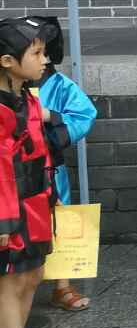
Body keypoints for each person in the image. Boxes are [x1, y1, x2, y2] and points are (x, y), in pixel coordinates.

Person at [0, 18, 63, 328]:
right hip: (9, 208)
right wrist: (4, 222)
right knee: (10, 282)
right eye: (36, 53)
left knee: (32, 275)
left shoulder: (25, 99)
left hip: (34, 201)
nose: (44, 61)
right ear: (8, 61)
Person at [28, 17, 95, 311]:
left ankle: (62, 285)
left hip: (49, 167)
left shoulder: (60, 85)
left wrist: (49, 116)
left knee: (59, 220)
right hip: (10, 170)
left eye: (43, 52)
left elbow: (84, 115)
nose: (41, 59)